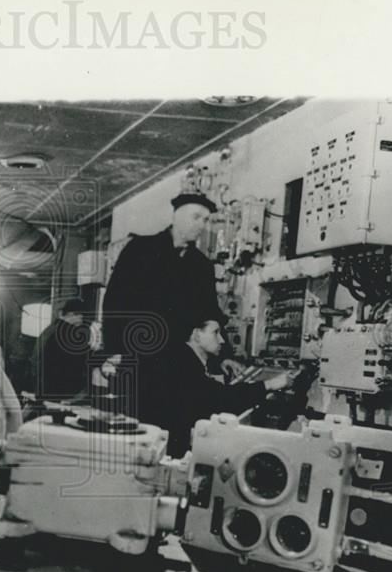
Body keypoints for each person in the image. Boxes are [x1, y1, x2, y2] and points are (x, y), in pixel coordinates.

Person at [99, 191, 244, 434]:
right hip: (138, 358)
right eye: (196, 217)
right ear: (176, 218)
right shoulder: (140, 250)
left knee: (171, 428)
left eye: (206, 220)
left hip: (178, 364)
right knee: (134, 429)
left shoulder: (202, 266)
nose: (202, 225)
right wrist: (113, 351)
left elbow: (210, 312)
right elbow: (115, 302)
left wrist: (225, 353)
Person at [178, 315, 290, 454]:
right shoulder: (184, 364)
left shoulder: (186, 357)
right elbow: (221, 398)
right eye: (216, 332)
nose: (222, 340)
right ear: (196, 335)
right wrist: (268, 385)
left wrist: (221, 362)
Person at [32, 298, 92, 402]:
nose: (82, 319)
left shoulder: (49, 330)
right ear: (71, 314)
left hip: (43, 389)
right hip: (61, 393)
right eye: (79, 314)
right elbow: (87, 358)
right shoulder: (68, 332)